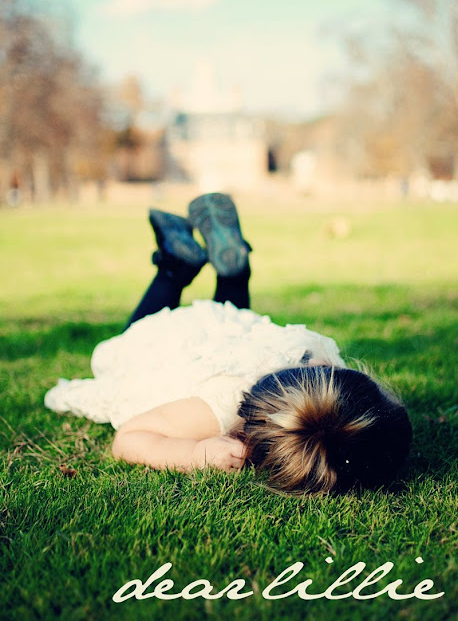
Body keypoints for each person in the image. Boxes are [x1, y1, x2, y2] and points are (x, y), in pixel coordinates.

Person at [44, 193, 413, 495]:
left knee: (232, 325)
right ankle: (174, 268)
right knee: (131, 341)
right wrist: (194, 452)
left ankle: (228, 275)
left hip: (228, 332)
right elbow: (129, 437)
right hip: (167, 346)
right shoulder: (215, 408)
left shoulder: (317, 361)